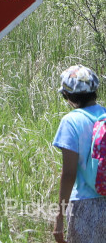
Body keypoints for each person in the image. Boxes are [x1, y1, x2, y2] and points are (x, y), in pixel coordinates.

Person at [53, 65, 106, 243]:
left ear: (67, 96)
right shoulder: (104, 115)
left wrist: (59, 216)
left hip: (84, 205)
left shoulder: (71, 121)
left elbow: (69, 174)